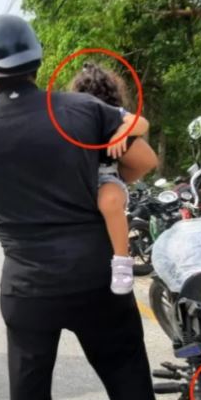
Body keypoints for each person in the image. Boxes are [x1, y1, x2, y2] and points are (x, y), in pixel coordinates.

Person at [0, 15, 174, 400]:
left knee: (29, 382)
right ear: (35, 60)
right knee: (124, 370)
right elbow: (143, 163)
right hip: (96, 274)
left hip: (27, 282)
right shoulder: (84, 110)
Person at [69, 61, 151, 294]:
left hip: (107, 179)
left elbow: (141, 122)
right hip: (78, 179)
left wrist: (122, 132)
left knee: (110, 200)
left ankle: (122, 262)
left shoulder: (114, 115)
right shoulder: (71, 116)